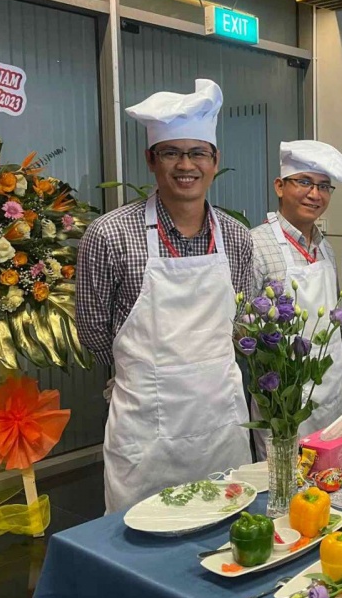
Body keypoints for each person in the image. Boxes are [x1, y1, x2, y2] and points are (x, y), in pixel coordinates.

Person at [77, 79, 253, 513]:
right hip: (145, 430)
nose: (185, 165)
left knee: (228, 527)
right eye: (171, 152)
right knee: (140, 530)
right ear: (151, 160)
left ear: (215, 162)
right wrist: (145, 374)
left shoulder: (236, 237)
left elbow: (241, 323)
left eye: (198, 153)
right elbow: (94, 331)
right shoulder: (109, 234)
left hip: (221, 423)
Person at [251, 140, 342, 443]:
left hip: (330, 389)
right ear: (280, 186)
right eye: (304, 182)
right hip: (283, 400)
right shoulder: (256, 244)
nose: (315, 194)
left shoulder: (325, 247)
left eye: (323, 186)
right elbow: (240, 326)